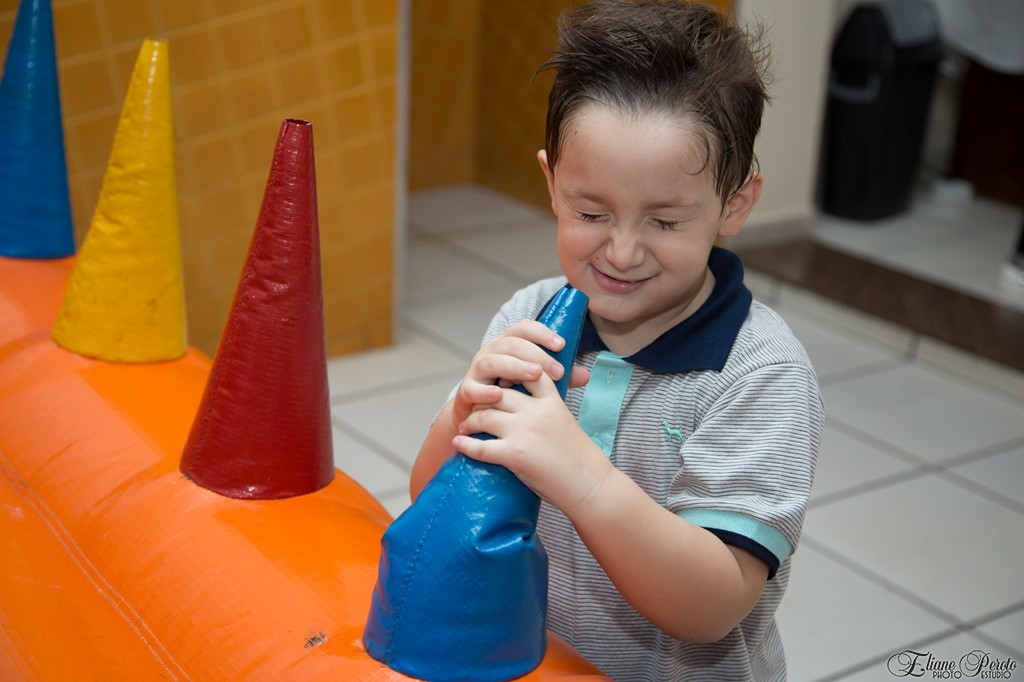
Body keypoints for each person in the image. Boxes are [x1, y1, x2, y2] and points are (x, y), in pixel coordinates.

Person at [410, 1, 823, 679]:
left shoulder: (760, 375)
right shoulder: (529, 317)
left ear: (735, 204)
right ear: (552, 184)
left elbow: (713, 606)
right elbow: (432, 501)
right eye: (591, 212)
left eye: (665, 221)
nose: (622, 251)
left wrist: (583, 478)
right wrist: (464, 409)